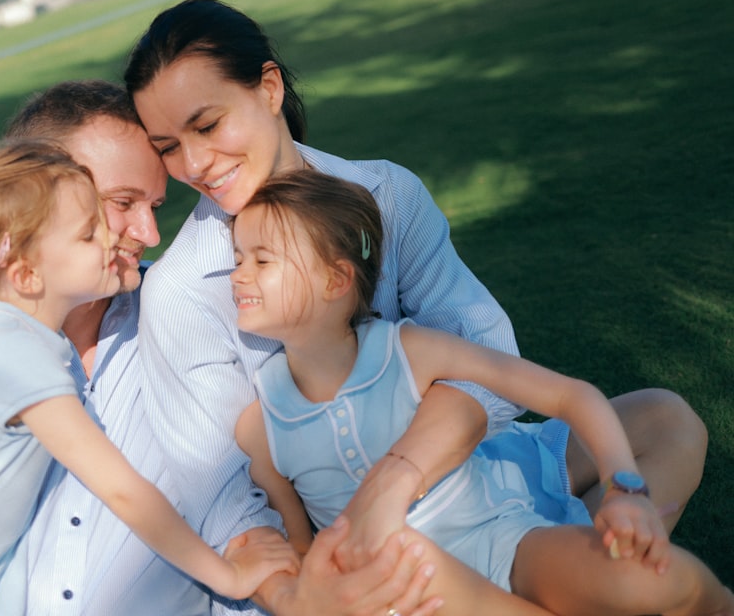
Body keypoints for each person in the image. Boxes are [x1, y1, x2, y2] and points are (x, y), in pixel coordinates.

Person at [0, 80, 442, 616]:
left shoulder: (166, 323)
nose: (145, 232)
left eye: (155, 207)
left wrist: (294, 592)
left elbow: (225, 492)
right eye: (116, 205)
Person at [122, 0, 708, 604]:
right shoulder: (184, 292)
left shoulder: (387, 193)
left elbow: (486, 348)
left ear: (268, 88)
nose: (193, 163)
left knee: (666, 421)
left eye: (208, 125)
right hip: (368, 546)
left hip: (472, 479)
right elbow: (226, 502)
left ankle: (566, 577)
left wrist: (400, 474)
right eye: (167, 146)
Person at [231, 169, 734, 616]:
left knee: (648, 581)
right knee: (408, 556)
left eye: (262, 259)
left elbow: (569, 396)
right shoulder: (260, 425)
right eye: (237, 257)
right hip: (411, 594)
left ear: (334, 278)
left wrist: (626, 491)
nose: (239, 275)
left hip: (503, 540)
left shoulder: (407, 350)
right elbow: (302, 548)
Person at [0, 139, 300, 612]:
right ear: (26, 272)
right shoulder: (13, 355)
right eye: (86, 235)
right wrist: (231, 577)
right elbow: (124, 491)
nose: (112, 242)